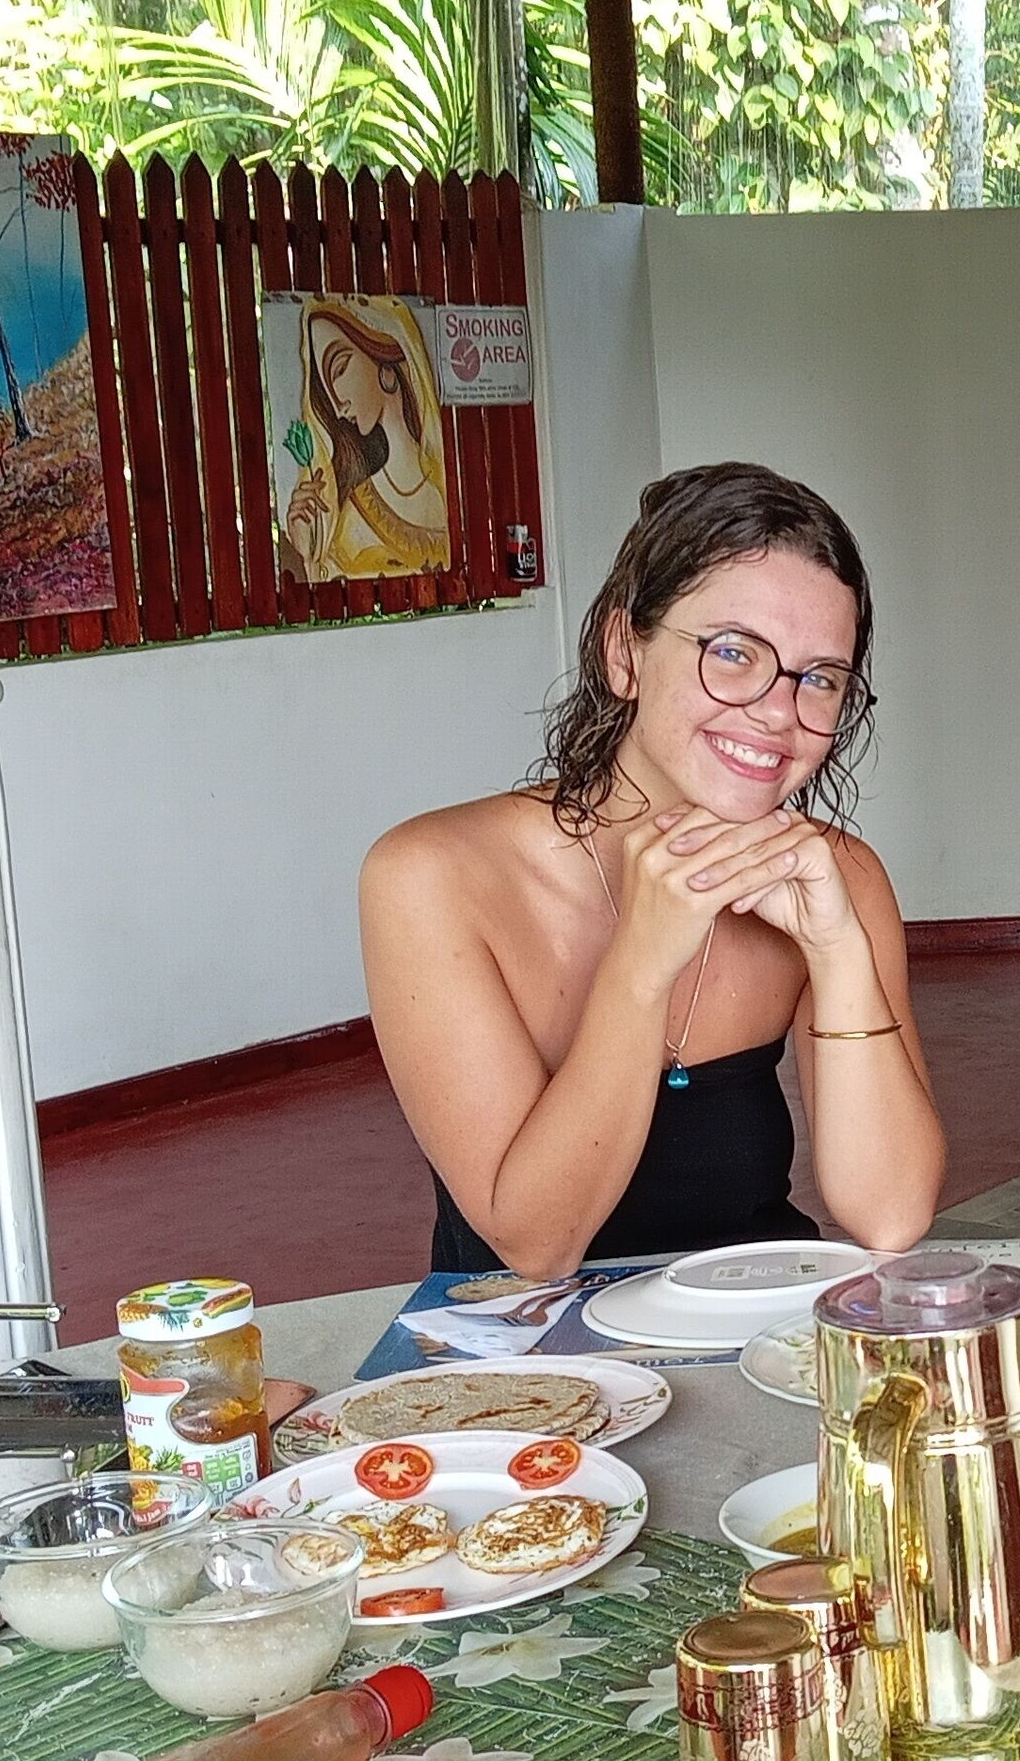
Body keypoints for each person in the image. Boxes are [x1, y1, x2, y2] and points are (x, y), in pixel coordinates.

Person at [361, 461, 941, 1277]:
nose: (778, 712)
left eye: (819, 678)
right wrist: (640, 962)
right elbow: (538, 1244)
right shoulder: (431, 878)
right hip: (526, 1346)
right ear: (624, 654)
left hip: (751, 1330)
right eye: (733, 653)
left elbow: (891, 1213)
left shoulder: (838, 876)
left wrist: (839, 952)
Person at [284, 300, 449, 579]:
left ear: (381, 349)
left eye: (339, 370)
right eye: (325, 389)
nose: (338, 407)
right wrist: (309, 556)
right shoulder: (352, 518)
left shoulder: (451, 479)